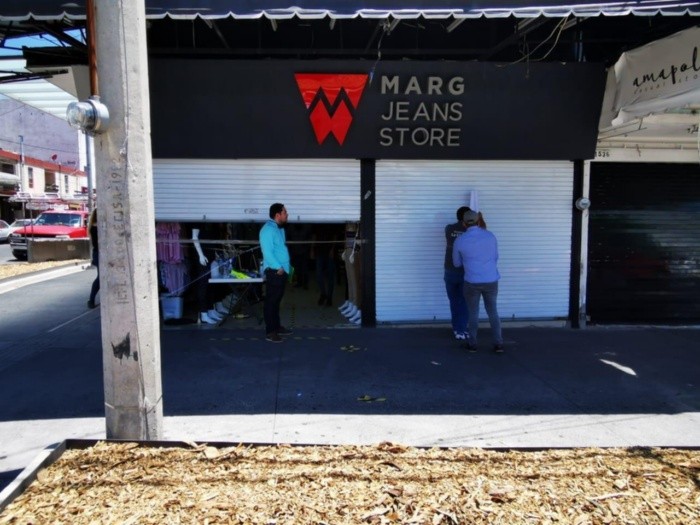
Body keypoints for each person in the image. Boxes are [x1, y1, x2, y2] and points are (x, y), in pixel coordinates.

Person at [452, 209, 504, 353]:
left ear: (464, 223)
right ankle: (498, 344)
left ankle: (472, 344)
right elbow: (496, 257)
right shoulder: (490, 236)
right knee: (493, 311)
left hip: (472, 281)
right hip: (491, 279)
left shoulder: (460, 240)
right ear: (478, 220)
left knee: (473, 313)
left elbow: (456, 263)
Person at [259, 203, 293, 343]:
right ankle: (270, 332)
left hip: (281, 271)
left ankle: (276, 327)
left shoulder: (278, 228)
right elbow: (267, 252)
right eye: (285, 212)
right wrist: (278, 267)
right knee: (271, 302)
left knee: (277, 301)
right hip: (275, 271)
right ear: (277, 215)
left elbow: (280, 248)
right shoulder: (268, 230)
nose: (287, 214)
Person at [444, 206, 470, 340]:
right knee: (464, 302)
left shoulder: (448, 229)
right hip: (465, 272)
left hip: (449, 270)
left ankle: (457, 329)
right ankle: (462, 329)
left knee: (454, 301)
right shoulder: (470, 232)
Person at [191, 225, 225, 325]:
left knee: (211, 284)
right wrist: (200, 255)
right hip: (202, 257)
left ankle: (210, 310)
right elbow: (194, 237)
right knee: (203, 285)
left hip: (210, 256)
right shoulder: (197, 218)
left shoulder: (211, 220)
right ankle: (203, 314)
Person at [338, 221, 361, 324]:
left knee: (355, 281)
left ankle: (356, 306)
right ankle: (351, 303)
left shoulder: (357, 223)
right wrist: (345, 250)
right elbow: (347, 237)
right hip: (348, 249)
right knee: (350, 279)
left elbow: (358, 238)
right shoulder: (348, 222)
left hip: (354, 251)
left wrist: (354, 252)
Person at [87, 208, 100, 309]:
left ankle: (91, 299)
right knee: (100, 278)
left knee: (100, 277)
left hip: (97, 253)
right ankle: (91, 299)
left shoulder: (92, 227)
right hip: (100, 254)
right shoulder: (97, 227)